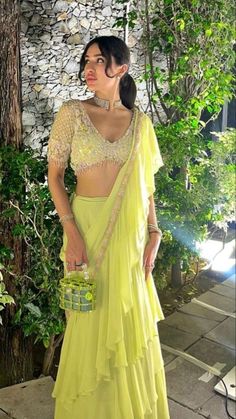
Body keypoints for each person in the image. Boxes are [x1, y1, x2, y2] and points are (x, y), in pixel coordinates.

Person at [47, 35, 170, 419]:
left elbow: (146, 186)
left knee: (127, 326)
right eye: (87, 60)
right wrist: (71, 233)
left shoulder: (141, 124)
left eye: (99, 61)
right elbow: (54, 176)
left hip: (130, 241)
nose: (89, 68)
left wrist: (155, 232)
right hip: (86, 230)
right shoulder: (72, 112)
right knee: (88, 328)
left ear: (122, 68)